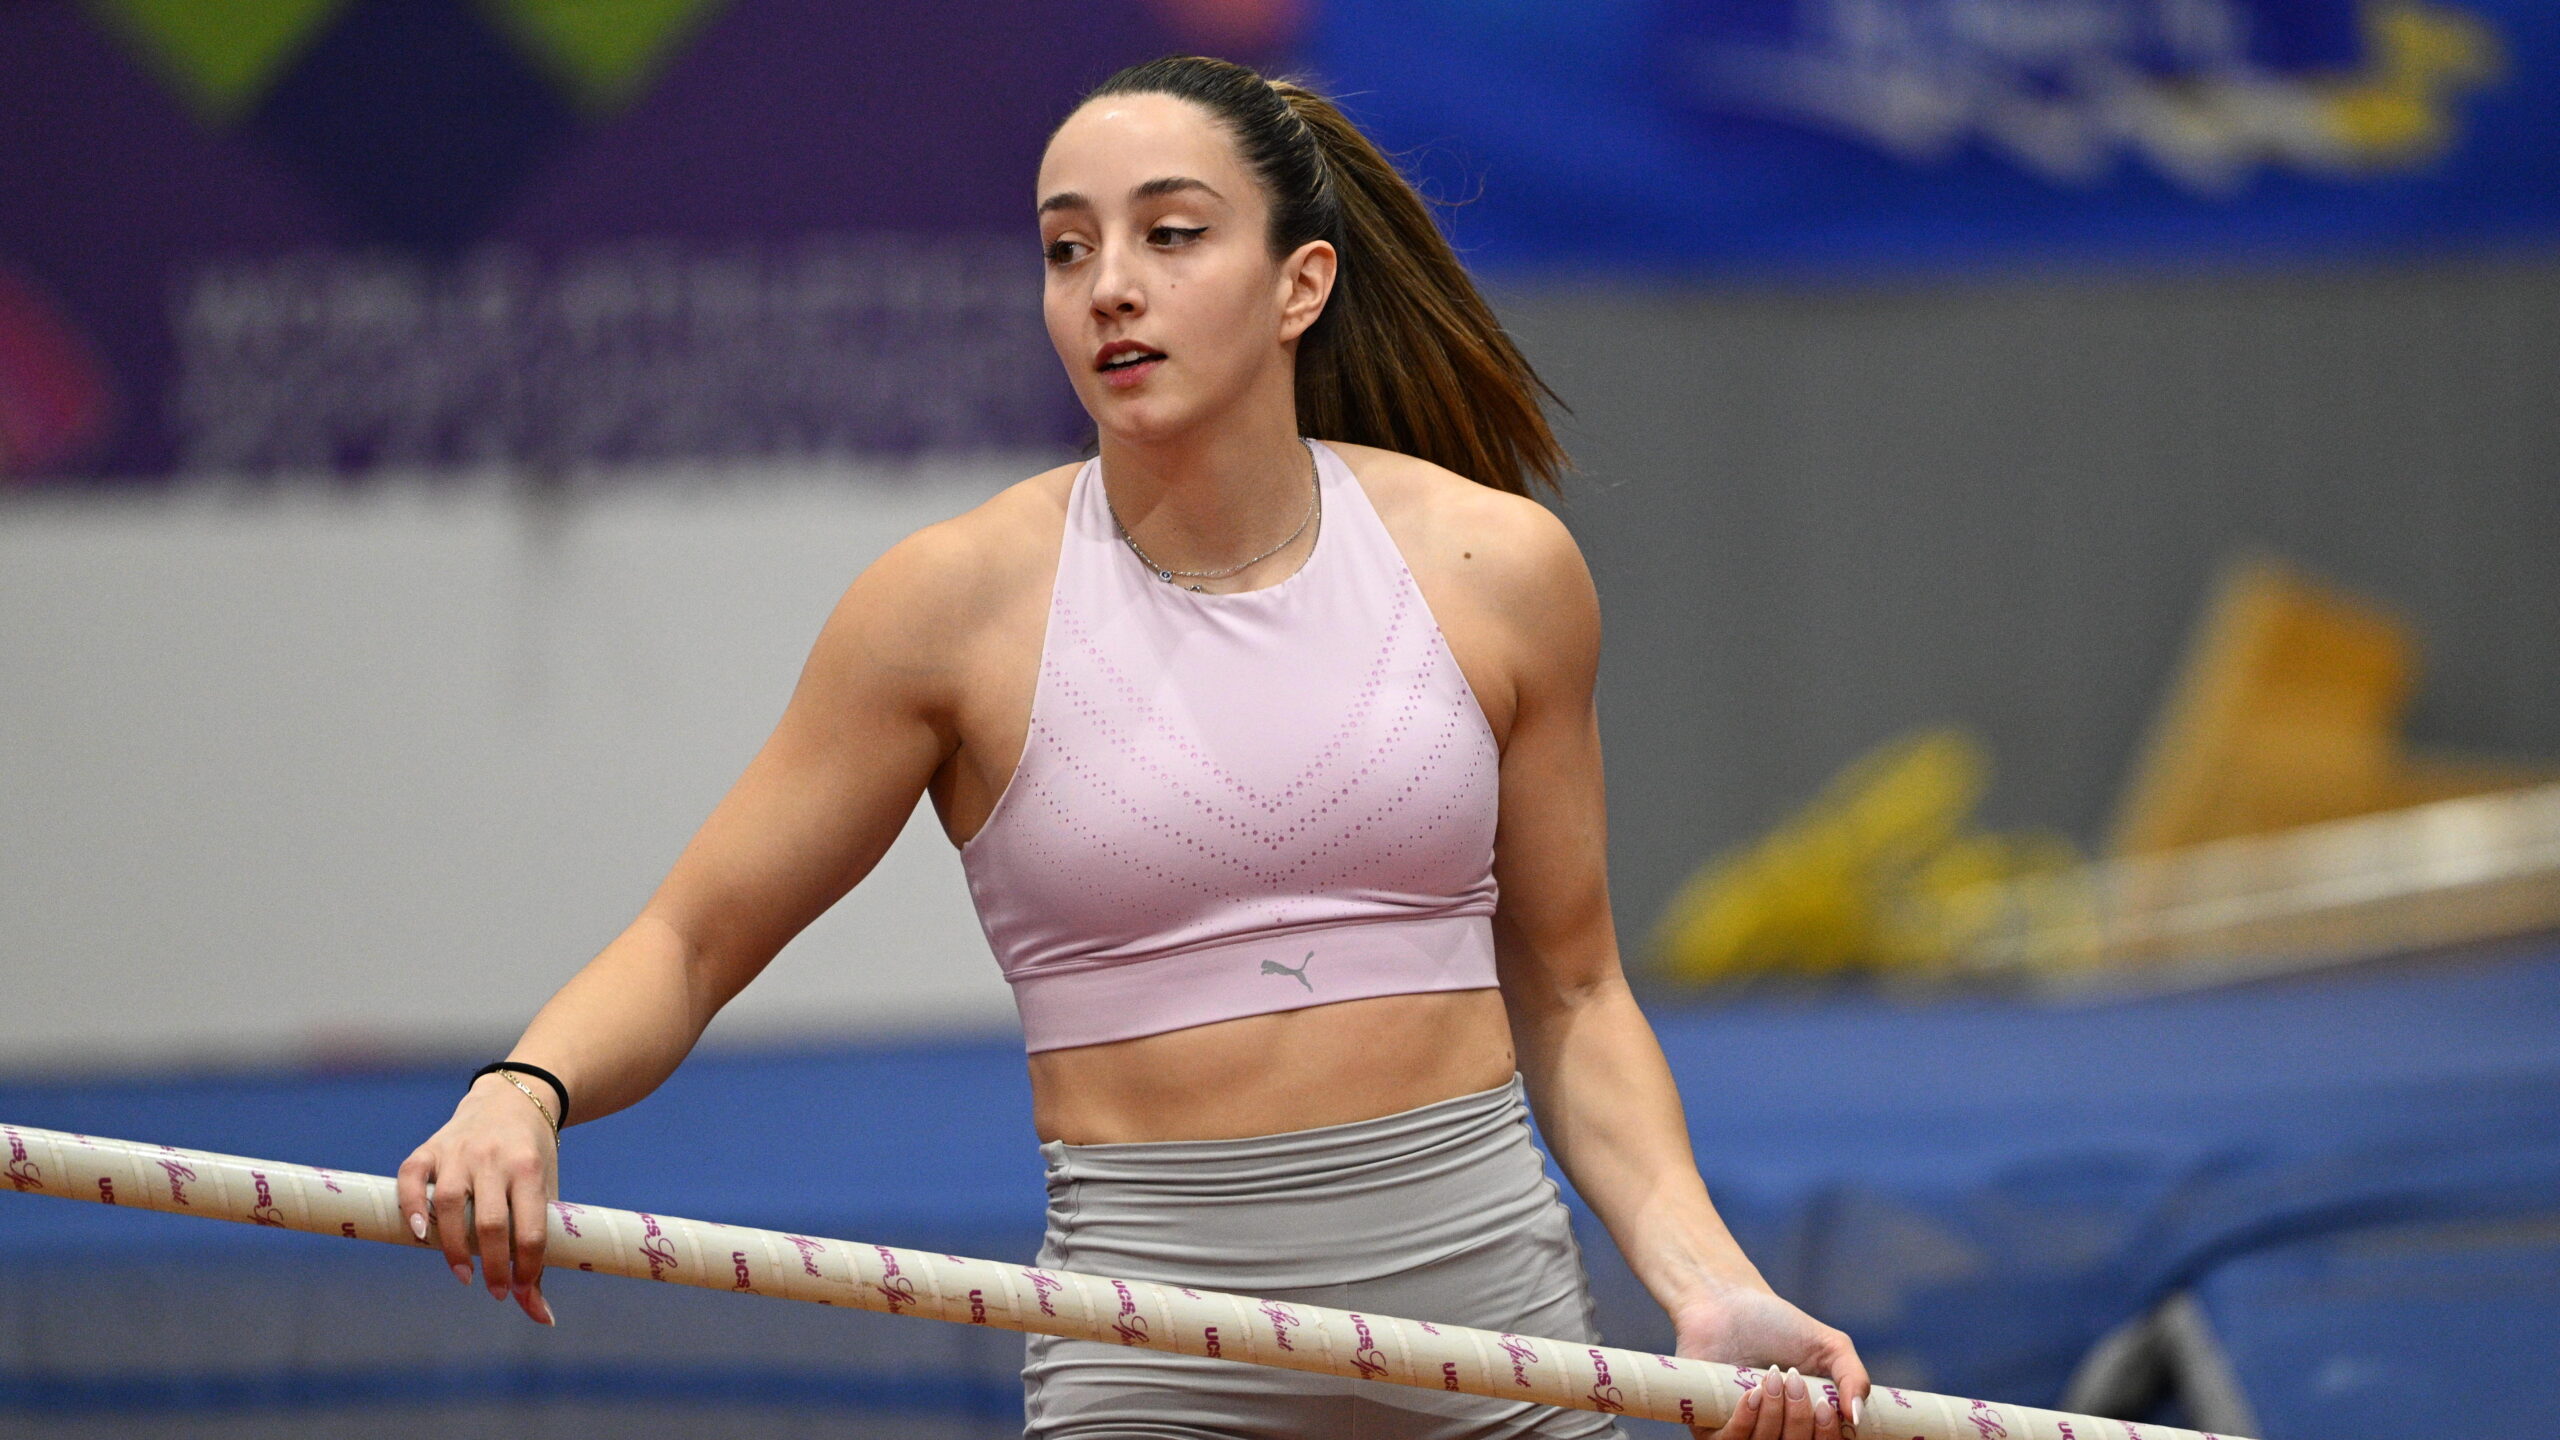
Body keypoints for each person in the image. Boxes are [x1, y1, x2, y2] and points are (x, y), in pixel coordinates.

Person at [397, 53, 1870, 1440]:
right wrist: (520, 1092)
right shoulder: (947, 607)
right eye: (1066, 247)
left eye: (1171, 235)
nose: (1109, 285)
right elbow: (691, 940)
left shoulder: (1498, 567)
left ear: (1301, 284)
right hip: (1153, 1369)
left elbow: (1574, 988)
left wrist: (1707, 1281)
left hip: (1495, 1358)